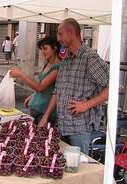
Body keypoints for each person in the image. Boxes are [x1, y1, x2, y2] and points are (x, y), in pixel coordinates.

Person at [39, 18, 109, 155]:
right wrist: (45, 117)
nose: (58, 38)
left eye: (60, 34)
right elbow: (57, 91)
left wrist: (86, 105)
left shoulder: (90, 58)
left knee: (80, 169)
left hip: (80, 128)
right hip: (62, 126)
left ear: (71, 33)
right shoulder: (66, 61)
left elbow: (111, 87)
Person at [10, 36, 60, 125]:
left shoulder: (57, 68)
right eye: (41, 49)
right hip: (36, 109)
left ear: (55, 48)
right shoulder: (48, 64)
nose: (42, 52)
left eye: (45, 48)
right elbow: (45, 87)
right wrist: (33, 95)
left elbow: (40, 87)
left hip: (45, 113)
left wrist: (21, 74)